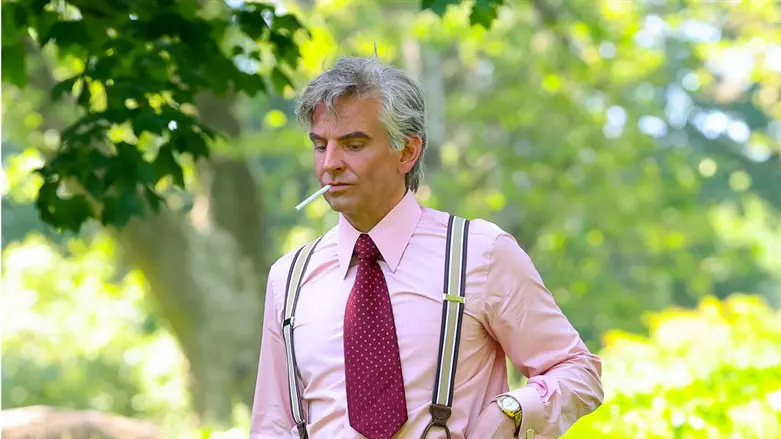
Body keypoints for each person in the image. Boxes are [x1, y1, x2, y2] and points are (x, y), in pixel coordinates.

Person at [249, 56, 603, 439]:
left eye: (353, 144)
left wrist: (513, 410)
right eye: (321, 146)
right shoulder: (289, 277)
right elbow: (272, 424)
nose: (330, 163)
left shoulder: (480, 254)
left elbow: (578, 371)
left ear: (407, 152)